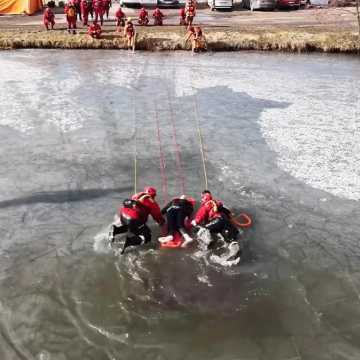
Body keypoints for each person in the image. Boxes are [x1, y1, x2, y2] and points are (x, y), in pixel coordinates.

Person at [109, 187, 165, 254]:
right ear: (153, 195)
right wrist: (161, 222)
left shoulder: (137, 195)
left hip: (123, 215)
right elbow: (157, 215)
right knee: (147, 236)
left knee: (130, 227)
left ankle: (116, 230)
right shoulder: (151, 202)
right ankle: (130, 241)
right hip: (133, 219)